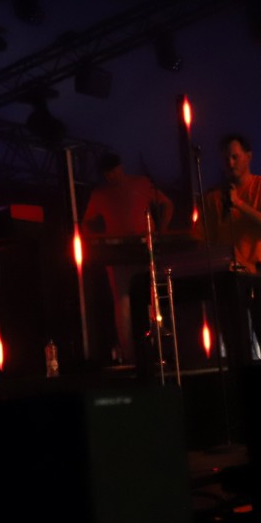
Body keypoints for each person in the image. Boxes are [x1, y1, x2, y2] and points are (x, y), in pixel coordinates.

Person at [80, 154, 174, 365]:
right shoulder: (100, 194)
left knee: (152, 299)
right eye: (106, 173)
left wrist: (161, 233)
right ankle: (131, 357)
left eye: (113, 171)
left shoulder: (141, 183)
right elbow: (86, 223)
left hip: (144, 250)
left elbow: (168, 204)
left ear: (120, 167)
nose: (110, 176)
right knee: (122, 304)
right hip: (118, 255)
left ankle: (158, 351)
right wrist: (99, 242)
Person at [204, 133, 261, 363]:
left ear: (248, 156)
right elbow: (205, 239)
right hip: (230, 275)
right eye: (225, 159)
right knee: (236, 348)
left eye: (235, 157)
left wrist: (239, 204)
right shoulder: (213, 197)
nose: (230, 163)